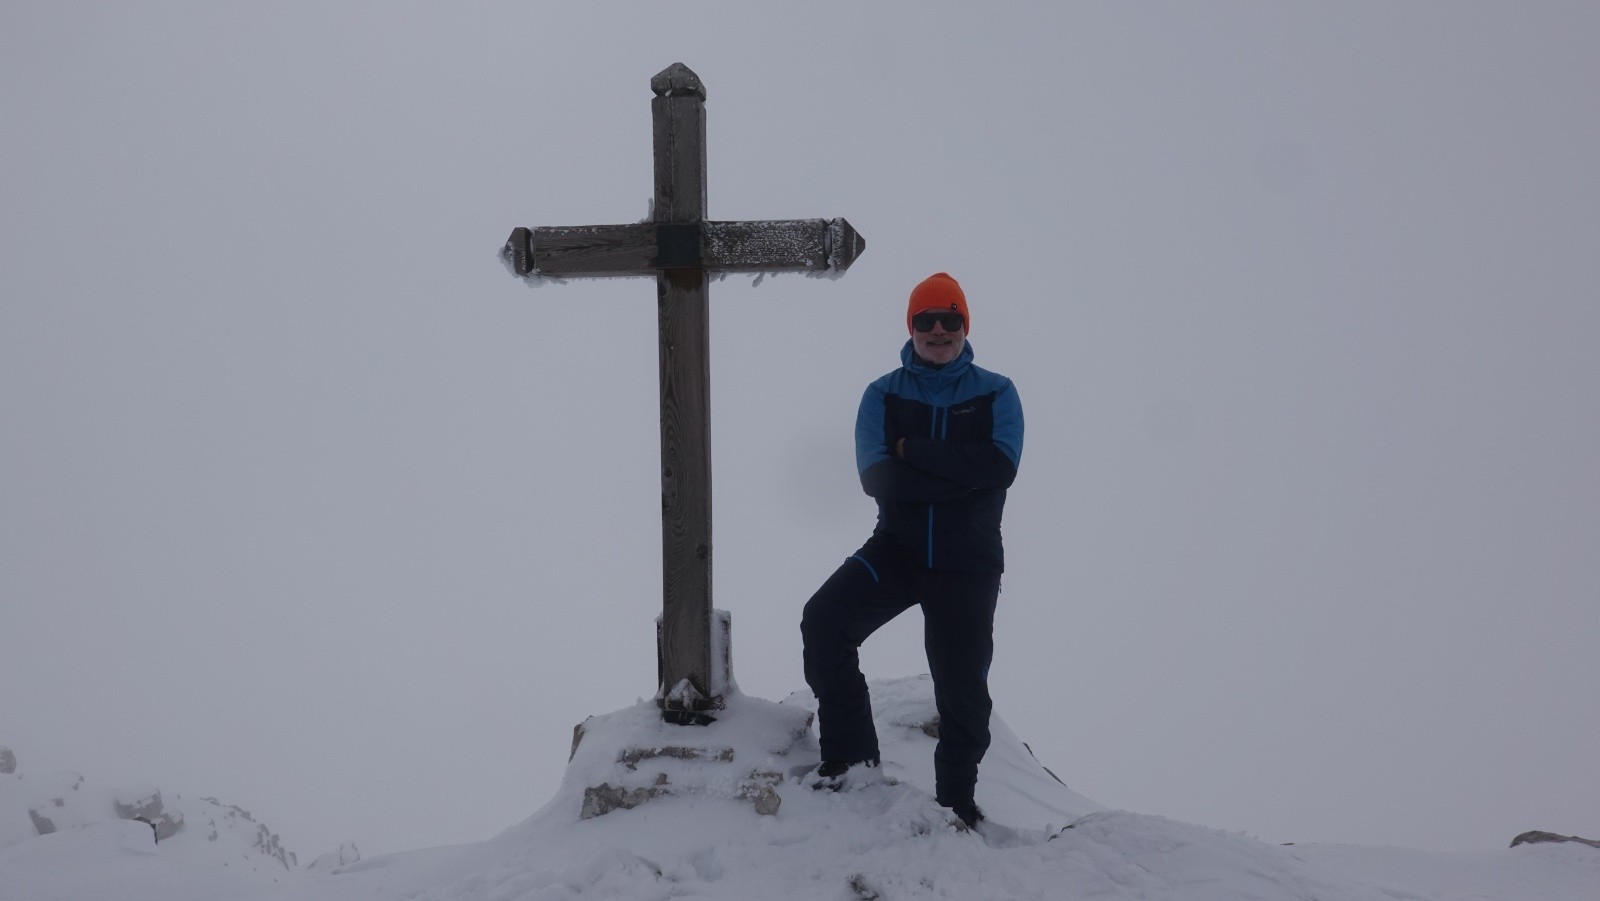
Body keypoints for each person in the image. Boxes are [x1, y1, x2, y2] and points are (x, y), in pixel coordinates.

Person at [801, 272, 1023, 829]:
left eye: (951, 319)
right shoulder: (883, 393)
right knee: (824, 621)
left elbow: (1000, 468)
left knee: (962, 688)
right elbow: (878, 479)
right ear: (911, 326)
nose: (939, 330)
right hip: (896, 551)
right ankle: (851, 760)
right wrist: (961, 477)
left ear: (965, 325)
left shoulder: (997, 392)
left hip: (967, 565)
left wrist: (914, 449)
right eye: (927, 320)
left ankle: (956, 802)